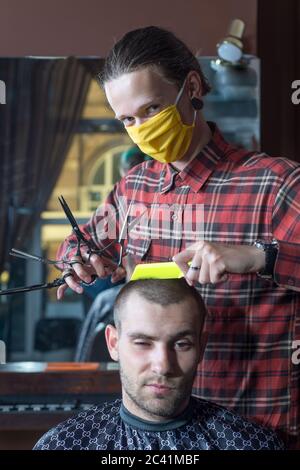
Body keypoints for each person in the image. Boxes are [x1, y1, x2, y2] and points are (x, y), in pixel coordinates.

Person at [55, 26, 300, 447]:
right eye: (127, 119)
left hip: (256, 433)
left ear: (189, 87)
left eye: (152, 109)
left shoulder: (275, 183)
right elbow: (82, 244)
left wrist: (259, 256)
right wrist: (79, 258)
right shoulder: (133, 190)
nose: (141, 129)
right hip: (154, 438)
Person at [34, 279, 283, 450]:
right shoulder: (65, 443)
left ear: (201, 347)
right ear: (113, 344)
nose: (163, 366)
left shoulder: (249, 443)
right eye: (143, 343)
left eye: (181, 344)